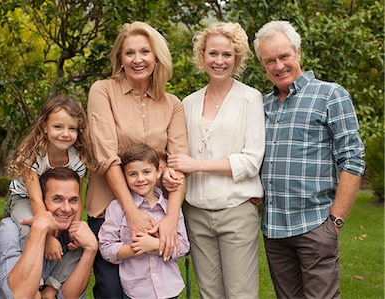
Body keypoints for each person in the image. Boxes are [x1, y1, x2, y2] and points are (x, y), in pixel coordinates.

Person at [253, 20, 366, 298]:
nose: (278, 66)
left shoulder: (330, 95)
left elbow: (353, 160)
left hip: (315, 226)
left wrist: (335, 222)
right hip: (274, 230)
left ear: (298, 53)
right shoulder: (261, 105)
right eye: (270, 60)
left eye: (284, 56)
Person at [86, 21, 188, 298]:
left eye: (145, 51)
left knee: (155, 288)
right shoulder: (102, 90)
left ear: (157, 57)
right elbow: (106, 155)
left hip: (156, 211)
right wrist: (131, 213)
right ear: (120, 58)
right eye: (129, 53)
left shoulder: (172, 104)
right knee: (111, 289)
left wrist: (170, 219)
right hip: (109, 209)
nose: (137, 59)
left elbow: (178, 165)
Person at [166, 22, 265, 298]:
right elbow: (177, 156)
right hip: (196, 213)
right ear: (202, 55)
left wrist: (196, 165)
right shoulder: (188, 103)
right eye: (212, 54)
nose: (219, 61)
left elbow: (250, 162)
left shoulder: (250, 99)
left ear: (237, 59)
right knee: (209, 293)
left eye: (227, 55)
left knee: (240, 293)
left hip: (236, 211)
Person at [6, 95, 95, 296]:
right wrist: (47, 236)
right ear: (44, 126)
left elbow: (76, 196)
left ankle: (52, 286)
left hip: (57, 201)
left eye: (71, 128)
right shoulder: (33, 155)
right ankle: (33, 284)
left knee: (81, 238)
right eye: (58, 127)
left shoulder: (76, 158)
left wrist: (75, 227)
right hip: (26, 200)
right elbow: (37, 200)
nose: (65, 134)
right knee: (30, 231)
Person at [0, 167, 98, 299]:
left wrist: (91, 248)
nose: (66, 208)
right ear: (41, 201)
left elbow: (68, 297)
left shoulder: (74, 240)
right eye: (57, 199)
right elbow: (20, 296)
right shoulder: (9, 232)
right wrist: (39, 229)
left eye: (73, 200)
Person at [98, 143, 190, 299]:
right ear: (124, 176)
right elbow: (106, 248)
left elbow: (183, 247)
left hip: (169, 289)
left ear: (159, 171)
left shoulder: (170, 209)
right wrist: (136, 247)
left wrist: (154, 245)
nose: (140, 179)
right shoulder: (117, 208)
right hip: (136, 291)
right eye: (133, 174)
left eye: (146, 172)